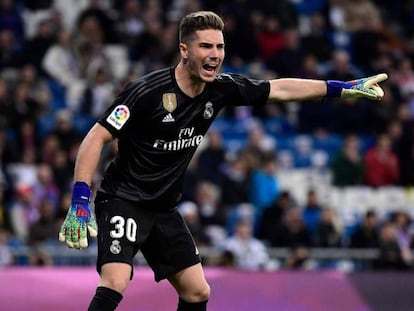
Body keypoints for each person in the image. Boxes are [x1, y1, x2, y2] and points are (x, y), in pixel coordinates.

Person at [58, 10, 388, 311]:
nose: (215, 54)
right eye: (205, 46)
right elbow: (95, 138)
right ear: (185, 51)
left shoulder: (220, 89)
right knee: (116, 283)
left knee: (197, 292)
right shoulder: (146, 92)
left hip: (163, 208)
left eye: (219, 46)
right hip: (123, 201)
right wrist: (80, 201)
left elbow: (279, 89)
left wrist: (340, 87)